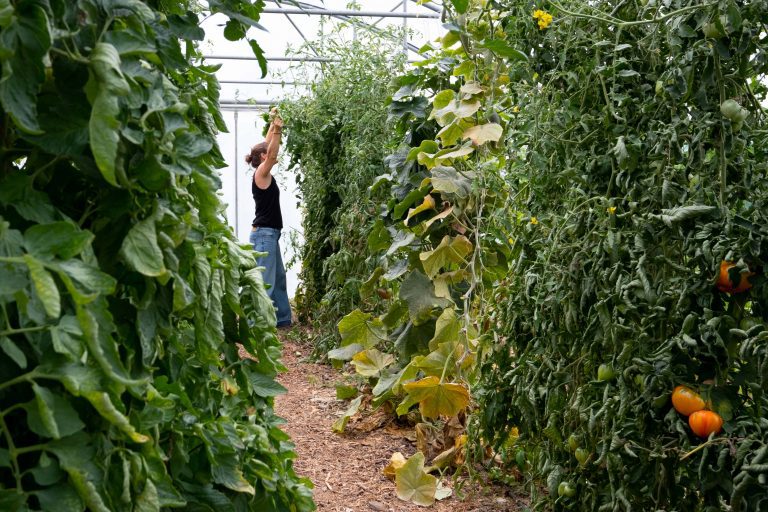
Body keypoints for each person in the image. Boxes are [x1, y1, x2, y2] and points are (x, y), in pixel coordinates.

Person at [245, 109, 292, 328]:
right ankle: (257, 325)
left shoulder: (261, 169)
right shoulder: (262, 172)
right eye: (268, 154)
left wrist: (273, 125)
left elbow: (267, 145)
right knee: (265, 283)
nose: (272, 153)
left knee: (278, 279)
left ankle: (282, 320)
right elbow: (272, 153)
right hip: (264, 234)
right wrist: (279, 129)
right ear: (263, 158)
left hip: (269, 234)